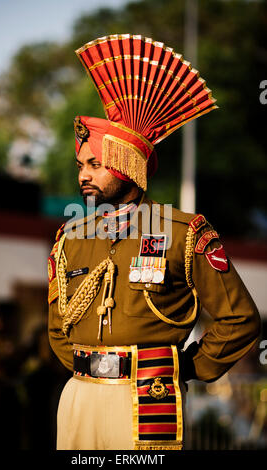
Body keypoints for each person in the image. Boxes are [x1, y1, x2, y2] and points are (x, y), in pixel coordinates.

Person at [48, 34, 261, 450]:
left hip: (148, 397)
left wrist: (185, 367)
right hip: (77, 395)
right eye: (80, 165)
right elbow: (58, 328)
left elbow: (239, 320)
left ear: (128, 163)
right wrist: (88, 367)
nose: (83, 176)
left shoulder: (185, 232)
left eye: (94, 164)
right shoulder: (69, 239)